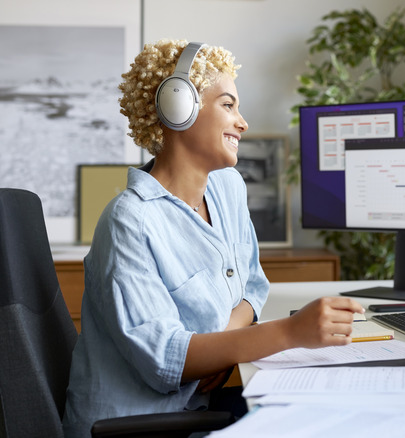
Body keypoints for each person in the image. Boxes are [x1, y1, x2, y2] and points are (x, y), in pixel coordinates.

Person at [62, 40, 364, 437]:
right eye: (228, 105)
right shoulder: (130, 221)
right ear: (178, 107)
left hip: (200, 405)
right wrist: (290, 333)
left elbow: (252, 285)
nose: (243, 122)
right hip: (136, 426)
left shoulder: (227, 187)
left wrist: (222, 346)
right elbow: (164, 359)